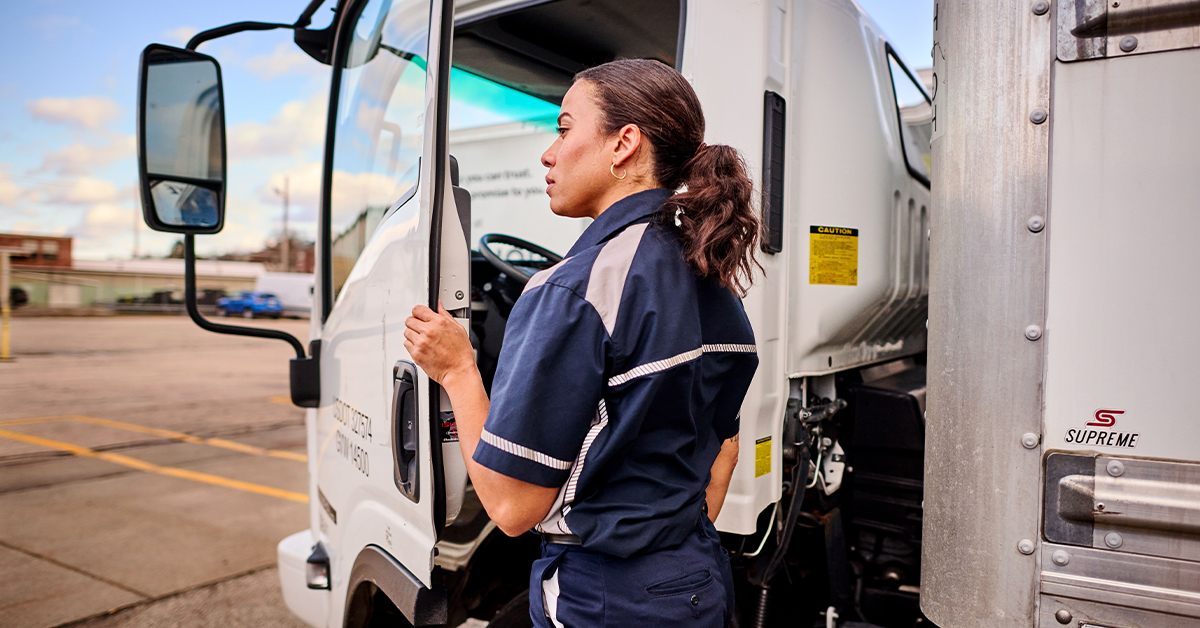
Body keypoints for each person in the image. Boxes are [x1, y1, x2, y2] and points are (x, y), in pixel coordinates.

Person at [404, 58, 761, 627]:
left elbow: (513, 508)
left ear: (624, 144)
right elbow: (724, 452)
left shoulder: (574, 288)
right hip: (696, 579)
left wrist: (459, 372)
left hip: (603, 598)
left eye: (565, 128)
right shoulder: (713, 279)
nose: (549, 152)